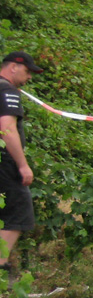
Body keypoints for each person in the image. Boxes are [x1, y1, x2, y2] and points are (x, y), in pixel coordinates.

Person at [0, 51, 43, 269]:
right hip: (5, 163)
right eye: (27, 71)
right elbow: (7, 129)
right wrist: (23, 165)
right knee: (19, 212)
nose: (29, 77)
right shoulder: (7, 91)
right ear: (13, 67)